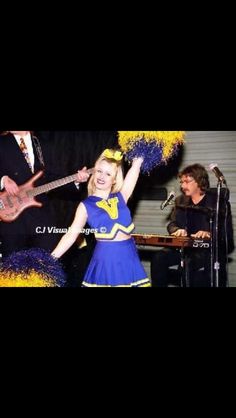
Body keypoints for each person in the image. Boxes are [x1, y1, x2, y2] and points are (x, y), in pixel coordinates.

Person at [52, 148, 150, 287]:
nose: (101, 176)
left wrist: (141, 152)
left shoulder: (122, 196)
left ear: (114, 180)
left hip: (129, 257)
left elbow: (135, 168)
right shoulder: (86, 205)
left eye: (108, 173)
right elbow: (70, 235)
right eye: (99, 171)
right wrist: (50, 259)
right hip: (106, 260)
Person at [0, 131, 90, 259]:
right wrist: (3, 180)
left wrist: (75, 180)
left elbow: (50, 176)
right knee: (12, 269)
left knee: (45, 264)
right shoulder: (2, 142)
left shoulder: (41, 143)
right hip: (12, 218)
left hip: (40, 216)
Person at [151, 164, 234, 287]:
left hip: (208, 251)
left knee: (189, 263)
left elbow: (226, 234)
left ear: (200, 182)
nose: (183, 186)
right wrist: (176, 230)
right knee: (159, 258)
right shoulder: (180, 201)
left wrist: (209, 233)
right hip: (185, 248)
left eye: (187, 181)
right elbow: (172, 223)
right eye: (181, 182)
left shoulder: (217, 202)